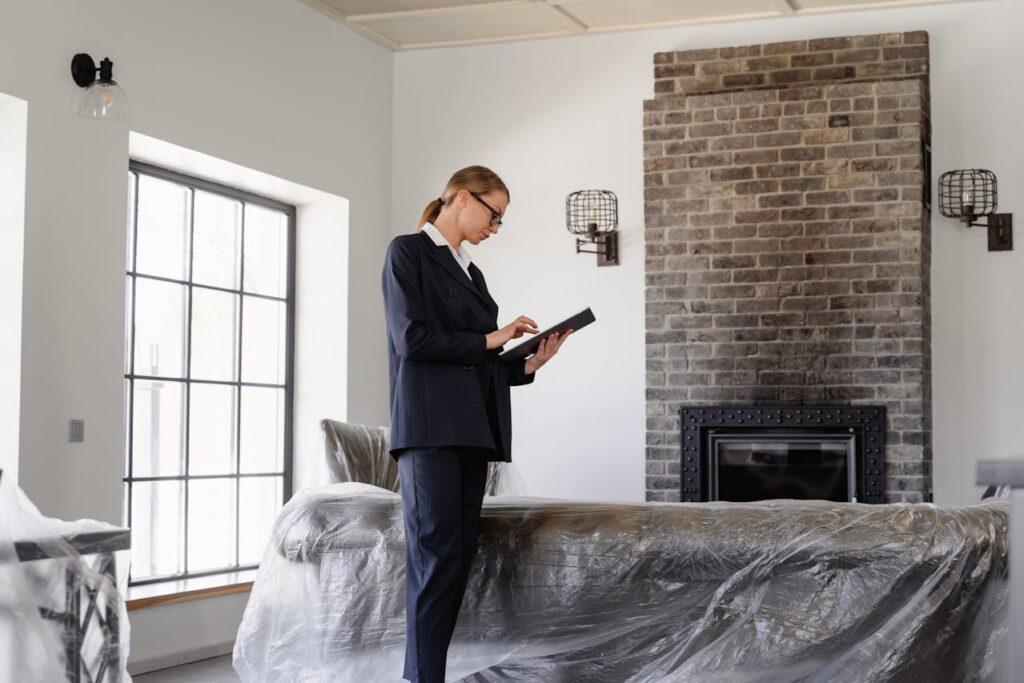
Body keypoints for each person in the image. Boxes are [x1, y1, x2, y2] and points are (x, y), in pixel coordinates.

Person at [381, 165, 570, 682]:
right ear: (463, 198)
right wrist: (494, 338)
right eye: (495, 215)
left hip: (471, 433)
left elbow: (478, 365)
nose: (495, 227)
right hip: (430, 433)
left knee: (456, 563)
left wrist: (526, 362)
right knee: (436, 563)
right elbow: (412, 341)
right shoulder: (408, 253)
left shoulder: (472, 274)